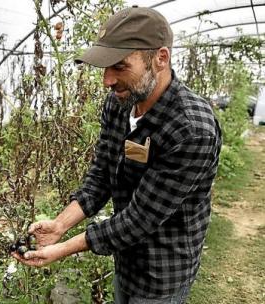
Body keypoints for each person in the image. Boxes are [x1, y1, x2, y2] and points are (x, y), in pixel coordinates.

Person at [12, 6, 222, 304]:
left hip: (162, 269)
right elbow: (103, 173)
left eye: (120, 66)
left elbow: (140, 218)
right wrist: (60, 224)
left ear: (160, 59)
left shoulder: (190, 129)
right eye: (105, 67)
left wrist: (62, 249)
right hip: (125, 256)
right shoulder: (120, 103)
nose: (107, 80)